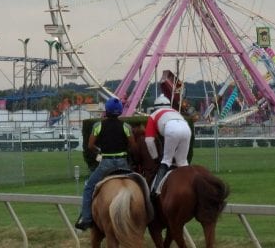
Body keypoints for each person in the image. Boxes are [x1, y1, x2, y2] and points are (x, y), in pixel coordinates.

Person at [75, 97, 136, 231]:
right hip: (123, 163)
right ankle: (147, 215)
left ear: (106, 111)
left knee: (88, 187)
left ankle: (86, 218)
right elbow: (133, 146)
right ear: (120, 111)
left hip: (106, 164)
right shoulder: (126, 127)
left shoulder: (98, 126)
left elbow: (90, 145)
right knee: (141, 185)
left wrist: (100, 151)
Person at [145, 94, 192, 195]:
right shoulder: (175, 112)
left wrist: (155, 157)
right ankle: (192, 185)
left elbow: (149, 140)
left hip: (171, 130)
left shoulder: (153, 116)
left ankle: (155, 191)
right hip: (187, 129)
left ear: (155, 108)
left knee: (166, 160)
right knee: (182, 162)